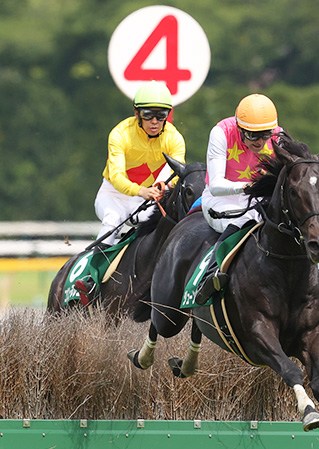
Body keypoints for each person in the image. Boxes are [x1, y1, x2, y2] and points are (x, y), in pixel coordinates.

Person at [194, 94, 281, 304]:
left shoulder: (279, 136)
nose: (260, 141)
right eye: (253, 135)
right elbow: (215, 185)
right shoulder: (221, 133)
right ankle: (211, 273)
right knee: (244, 221)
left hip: (256, 200)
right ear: (240, 129)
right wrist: (249, 187)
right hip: (220, 200)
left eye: (265, 134)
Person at [93, 81, 186, 247]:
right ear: (137, 113)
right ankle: (95, 264)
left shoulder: (174, 138)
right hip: (114, 194)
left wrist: (163, 188)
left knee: (161, 224)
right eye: (148, 114)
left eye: (161, 115)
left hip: (149, 195)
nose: (155, 121)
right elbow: (117, 177)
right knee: (113, 220)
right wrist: (140, 191)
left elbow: (177, 174)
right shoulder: (120, 133)